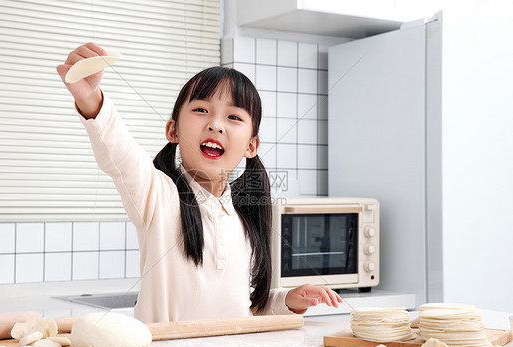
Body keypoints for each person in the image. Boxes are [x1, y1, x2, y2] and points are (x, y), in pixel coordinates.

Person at [57, 43, 343, 323]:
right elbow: (119, 152)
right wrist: (90, 96)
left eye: (233, 117)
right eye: (201, 110)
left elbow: (241, 308)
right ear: (173, 130)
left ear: (251, 146)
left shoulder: (242, 216)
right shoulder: (157, 196)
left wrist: (284, 300)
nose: (216, 124)